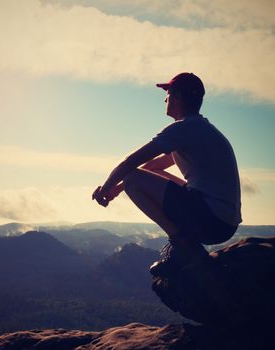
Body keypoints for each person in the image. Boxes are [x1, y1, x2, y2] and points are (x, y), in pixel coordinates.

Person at [92, 72, 242, 276]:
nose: (165, 99)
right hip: (224, 222)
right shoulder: (200, 130)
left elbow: (131, 162)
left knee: (131, 177)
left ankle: (182, 244)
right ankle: (184, 242)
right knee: (137, 177)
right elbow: (153, 166)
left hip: (211, 220)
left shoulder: (183, 129)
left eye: (168, 93)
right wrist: (117, 190)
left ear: (178, 97)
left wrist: (106, 187)